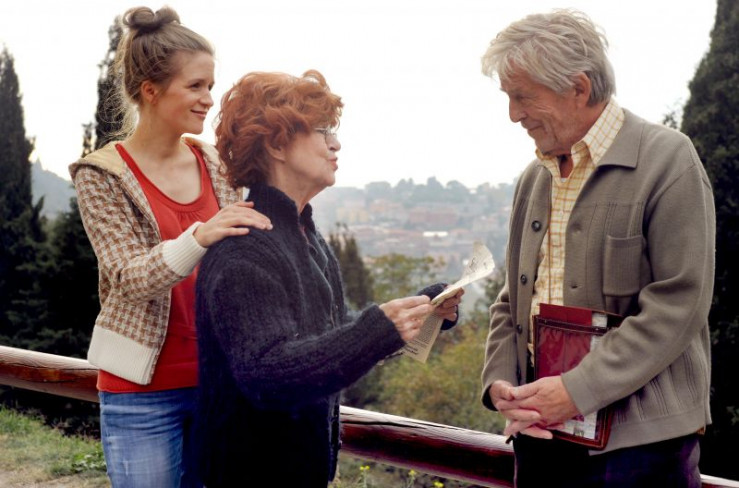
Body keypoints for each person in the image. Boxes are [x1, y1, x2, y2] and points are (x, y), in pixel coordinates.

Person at [478, 9, 715, 488]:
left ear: (578, 88)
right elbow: (512, 299)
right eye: (508, 98)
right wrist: (500, 382)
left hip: (641, 451)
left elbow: (679, 304)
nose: (513, 115)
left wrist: (576, 390)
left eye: (523, 96)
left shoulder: (669, 160)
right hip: (541, 437)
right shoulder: (534, 178)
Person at [194, 69, 463, 487]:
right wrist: (378, 329)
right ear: (277, 144)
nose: (335, 144)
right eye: (322, 131)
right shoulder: (245, 248)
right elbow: (266, 374)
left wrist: (419, 313)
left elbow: (331, 336)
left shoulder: (305, 236)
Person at [69, 6, 271, 487]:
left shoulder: (216, 164)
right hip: (141, 393)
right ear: (151, 90)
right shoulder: (101, 175)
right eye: (196, 85)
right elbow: (128, 279)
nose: (208, 99)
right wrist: (199, 236)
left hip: (218, 385)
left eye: (210, 85)